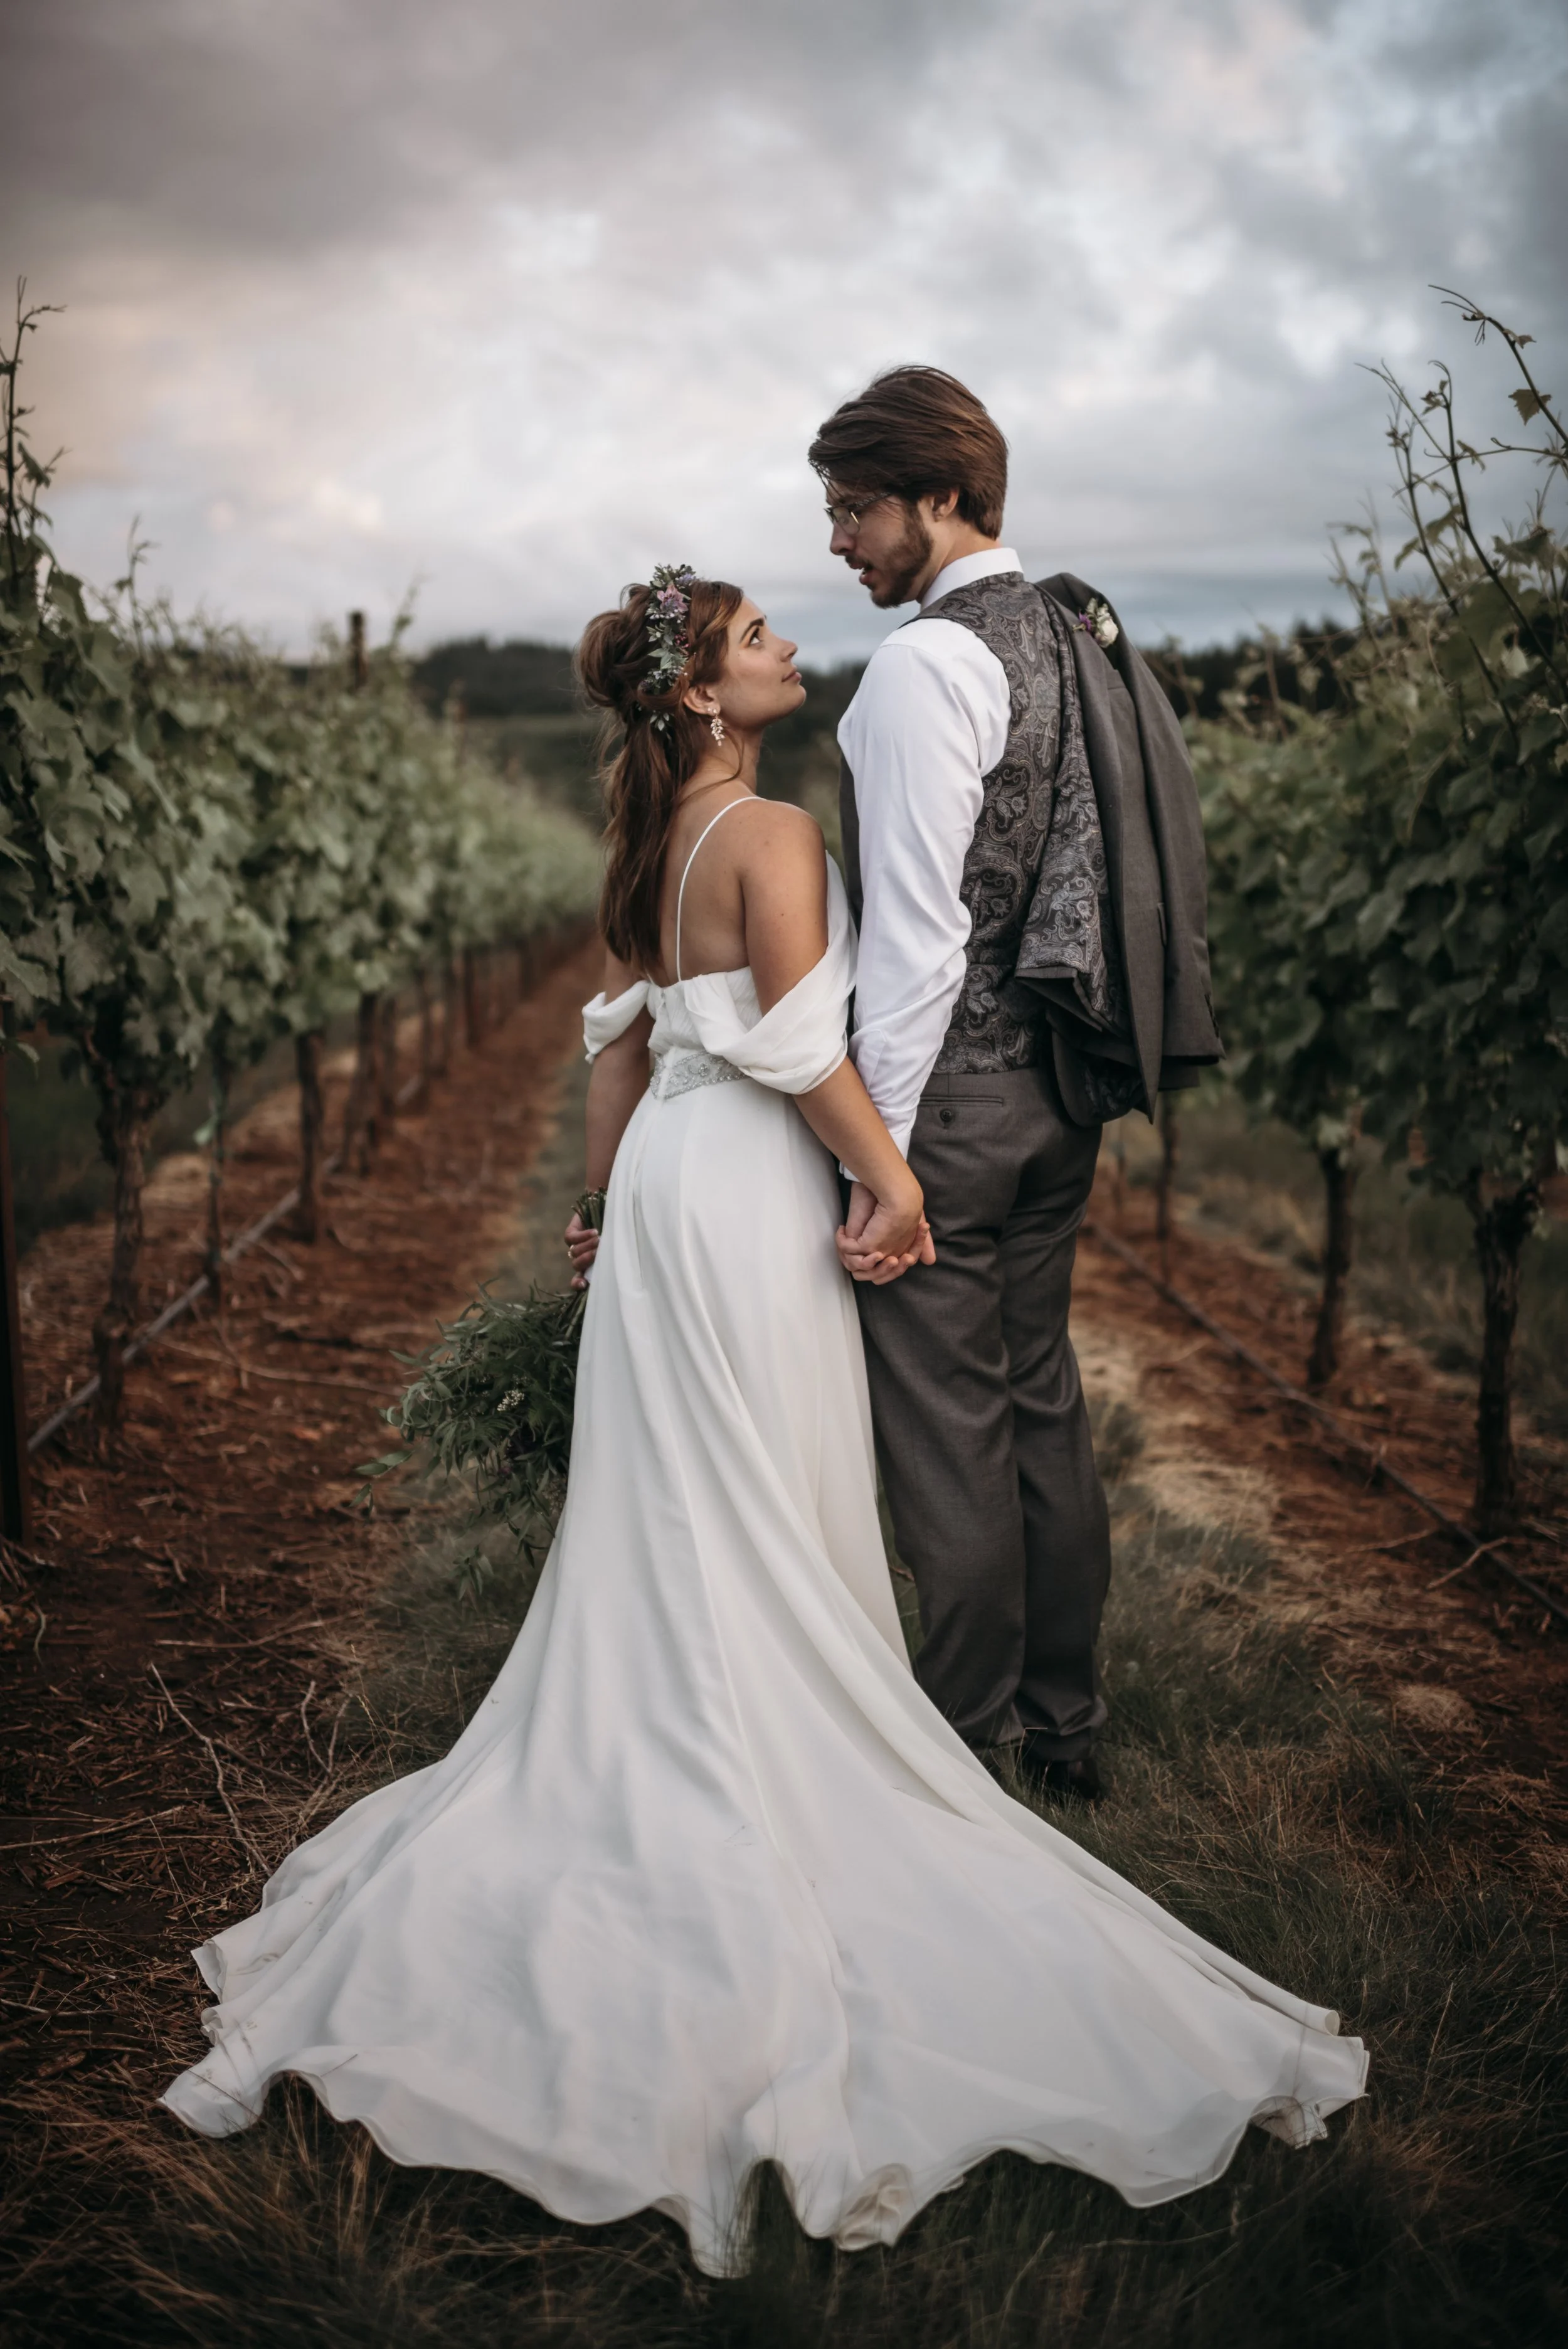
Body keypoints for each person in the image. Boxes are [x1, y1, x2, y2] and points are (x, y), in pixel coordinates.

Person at [162, 566, 1365, 2276]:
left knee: (675, 1500)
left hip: (665, 1193)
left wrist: (593, 1219)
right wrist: (893, 1187)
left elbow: (620, 1052)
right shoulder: (778, 835)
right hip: (745, 1195)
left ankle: (673, 1724)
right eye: (753, 640)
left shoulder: (656, 847)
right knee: (767, 1492)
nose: (788, 648)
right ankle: (772, 1752)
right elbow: (805, 1049)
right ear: (704, 696)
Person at [811, 366, 1221, 1804]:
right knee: (1037, 1398)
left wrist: (882, 1158)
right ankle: (1064, 1731)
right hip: (1056, 1095)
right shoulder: (1068, 634)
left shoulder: (928, 666)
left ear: (940, 497)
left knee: (947, 1430)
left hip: (953, 1104)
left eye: (856, 509)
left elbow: (917, 942)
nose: (839, 541)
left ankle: (954, 1748)